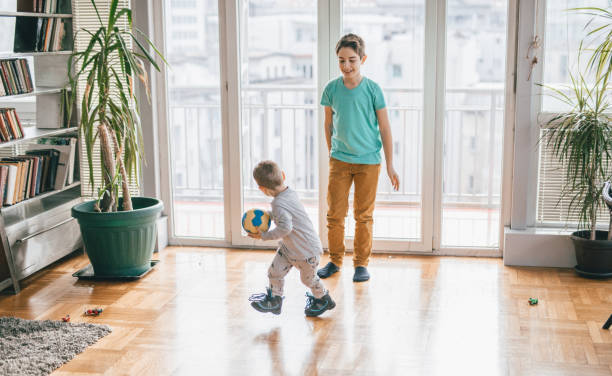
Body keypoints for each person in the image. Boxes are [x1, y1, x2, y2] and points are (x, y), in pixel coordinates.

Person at [318, 33, 400, 283]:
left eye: (352, 60)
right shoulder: (331, 89)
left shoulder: (373, 90)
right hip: (340, 161)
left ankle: (361, 264)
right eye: (341, 61)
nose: (346, 66)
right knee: (335, 214)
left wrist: (390, 164)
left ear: (362, 59)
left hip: (368, 162)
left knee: (363, 215)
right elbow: (328, 124)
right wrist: (333, 152)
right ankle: (334, 260)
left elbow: (385, 128)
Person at [248, 160, 336, 317]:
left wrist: (263, 236)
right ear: (282, 175)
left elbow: (285, 228)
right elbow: (286, 215)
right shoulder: (289, 192)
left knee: (308, 280)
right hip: (290, 250)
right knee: (274, 272)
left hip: (306, 252)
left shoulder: (278, 205)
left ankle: (324, 299)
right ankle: (275, 300)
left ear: (262, 189)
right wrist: (268, 215)